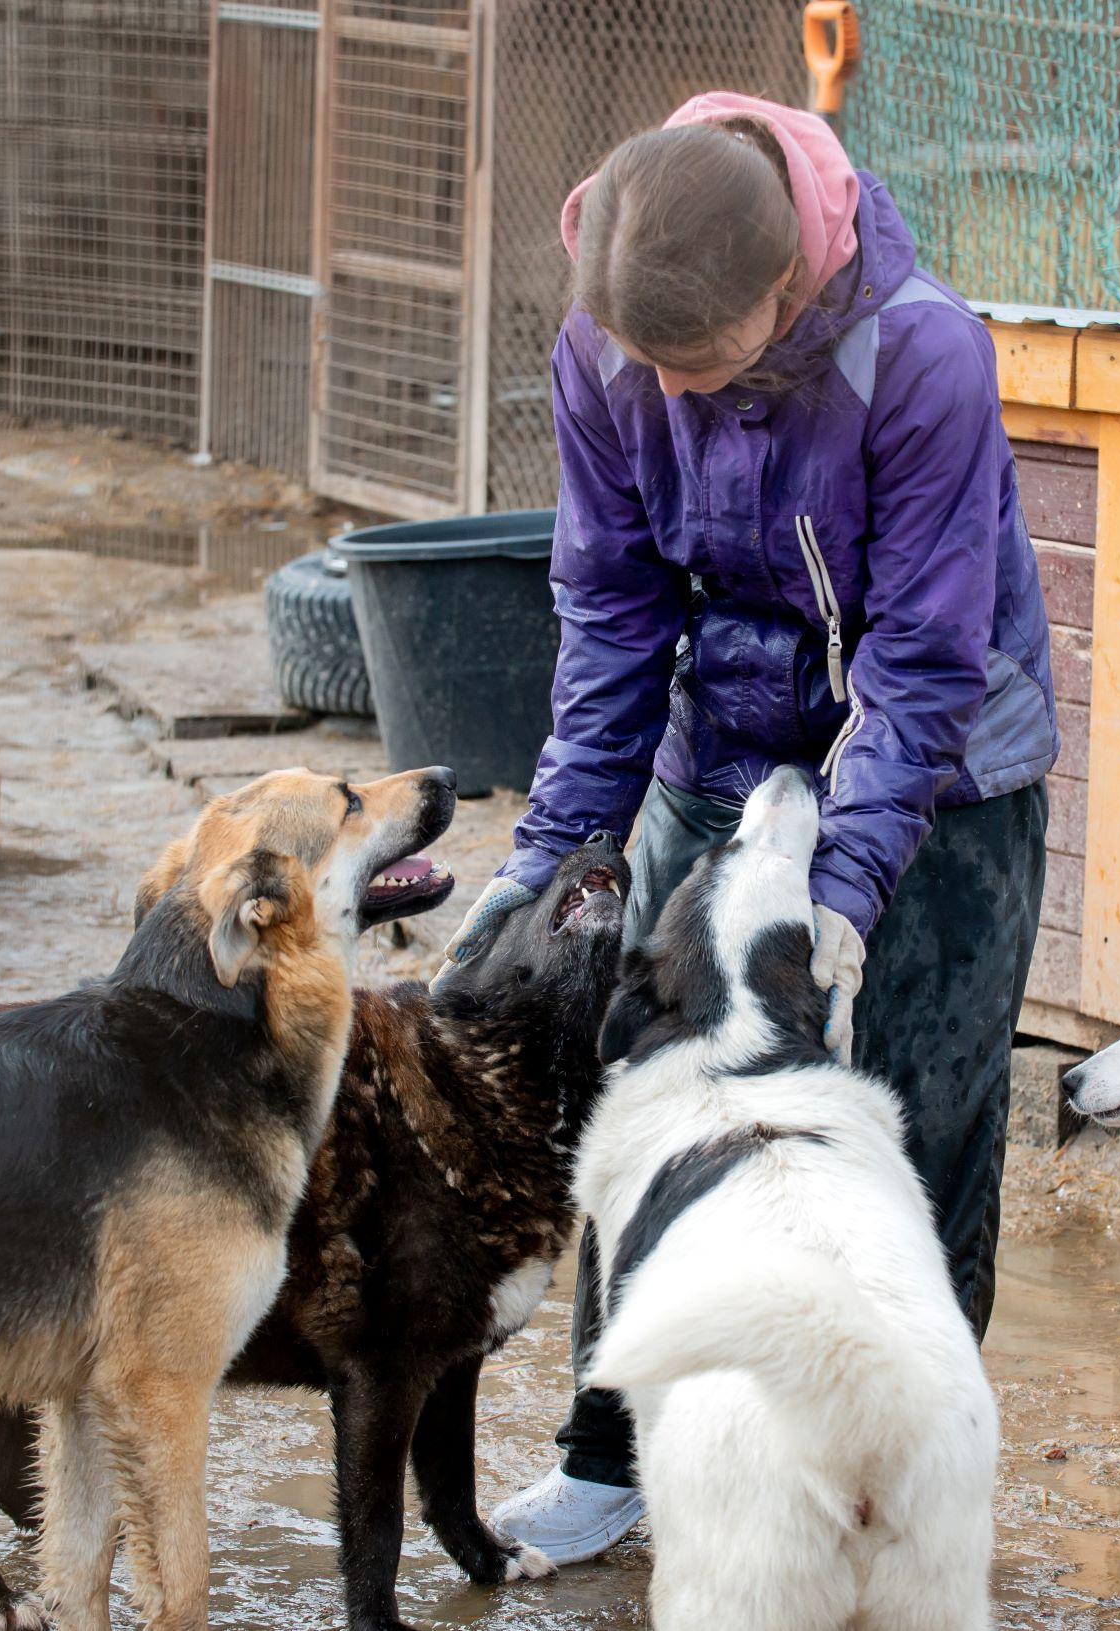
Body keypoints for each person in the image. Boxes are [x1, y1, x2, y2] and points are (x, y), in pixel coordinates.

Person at [433, 91, 1058, 1565]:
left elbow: (920, 659)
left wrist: (843, 891)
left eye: (695, 364)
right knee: (649, 1093)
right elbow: (610, 611)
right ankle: (613, 1456)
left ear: (786, 288)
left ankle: (906, 1488)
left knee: (911, 1126)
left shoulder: (921, 356)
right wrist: (559, 858)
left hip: (945, 770)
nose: (670, 391)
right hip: (715, 744)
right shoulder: (606, 339)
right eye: (642, 365)